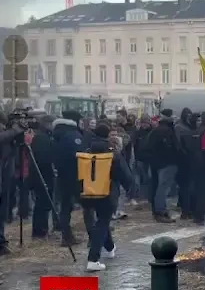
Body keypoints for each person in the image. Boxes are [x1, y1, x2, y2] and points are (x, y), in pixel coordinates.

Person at [81, 123, 133, 272]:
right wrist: (130, 188)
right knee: (103, 222)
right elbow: (124, 174)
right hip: (107, 193)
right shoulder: (112, 153)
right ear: (108, 135)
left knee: (102, 220)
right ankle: (93, 259)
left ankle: (110, 248)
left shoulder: (87, 150)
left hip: (89, 192)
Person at [52, 110, 87, 247]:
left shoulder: (57, 133)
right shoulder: (72, 134)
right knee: (88, 205)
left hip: (62, 175)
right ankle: (95, 234)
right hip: (75, 175)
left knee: (65, 207)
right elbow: (80, 156)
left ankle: (66, 236)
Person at [0, 112, 26, 255]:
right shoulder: (7, 133)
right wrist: (14, 131)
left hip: (5, 178)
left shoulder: (7, 133)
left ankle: (1, 241)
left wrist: (16, 135)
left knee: (3, 209)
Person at [146, 109, 178, 222]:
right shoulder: (168, 131)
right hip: (167, 163)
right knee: (163, 188)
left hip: (156, 163)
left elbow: (147, 147)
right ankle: (160, 211)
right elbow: (173, 147)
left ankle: (158, 211)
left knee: (157, 187)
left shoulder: (155, 131)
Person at [29, 115, 56, 238]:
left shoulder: (43, 136)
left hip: (43, 174)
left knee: (43, 203)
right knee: (42, 203)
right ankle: (40, 230)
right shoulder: (41, 138)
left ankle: (41, 229)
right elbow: (43, 158)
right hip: (42, 175)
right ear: (47, 124)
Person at [174, 108, 195, 220]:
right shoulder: (179, 127)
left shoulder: (190, 127)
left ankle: (188, 209)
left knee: (189, 187)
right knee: (185, 187)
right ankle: (185, 210)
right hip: (183, 161)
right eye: (187, 115)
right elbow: (178, 145)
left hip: (190, 160)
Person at [131, 116, 153, 202]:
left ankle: (147, 195)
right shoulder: (137, 133)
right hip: (140, 158)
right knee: (142, 178)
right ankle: (142, 195)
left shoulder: (152, 132)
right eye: (143, 123)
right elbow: (134, 145)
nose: (144, 125)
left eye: (146, 123)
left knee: (148, 178)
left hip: (150, 159)